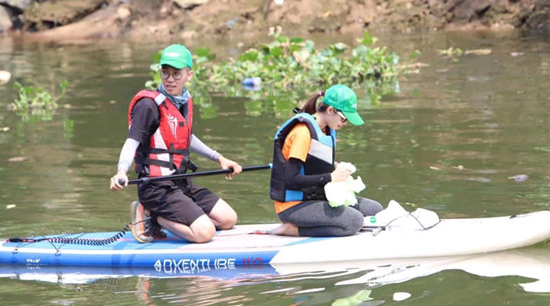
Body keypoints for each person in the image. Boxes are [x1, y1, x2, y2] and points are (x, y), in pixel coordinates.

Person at [110, 44, 242, 243]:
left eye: (176, 74)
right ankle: (152, 215)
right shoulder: (148, 105)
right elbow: (132, 142)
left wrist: (219, 158)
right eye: (165, 73)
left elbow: (186, 138)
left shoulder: (182, 101)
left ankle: (166, 216)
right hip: (156, 187)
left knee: (228, 219)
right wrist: (121, 171)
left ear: (189, 74)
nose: (170, 79)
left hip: (179, 183)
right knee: (205, 233)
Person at [269, 84, 383, 237]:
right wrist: (331, 177)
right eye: (344, 119)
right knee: (354, 221)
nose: (344, 124)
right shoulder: (302, 133)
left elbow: (315, 163)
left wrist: (337, 168)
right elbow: (291, 179)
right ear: (330, 110)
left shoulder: (326, 130)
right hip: (293, 206)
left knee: (375, 210)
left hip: (316, 197)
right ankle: (292, 230)